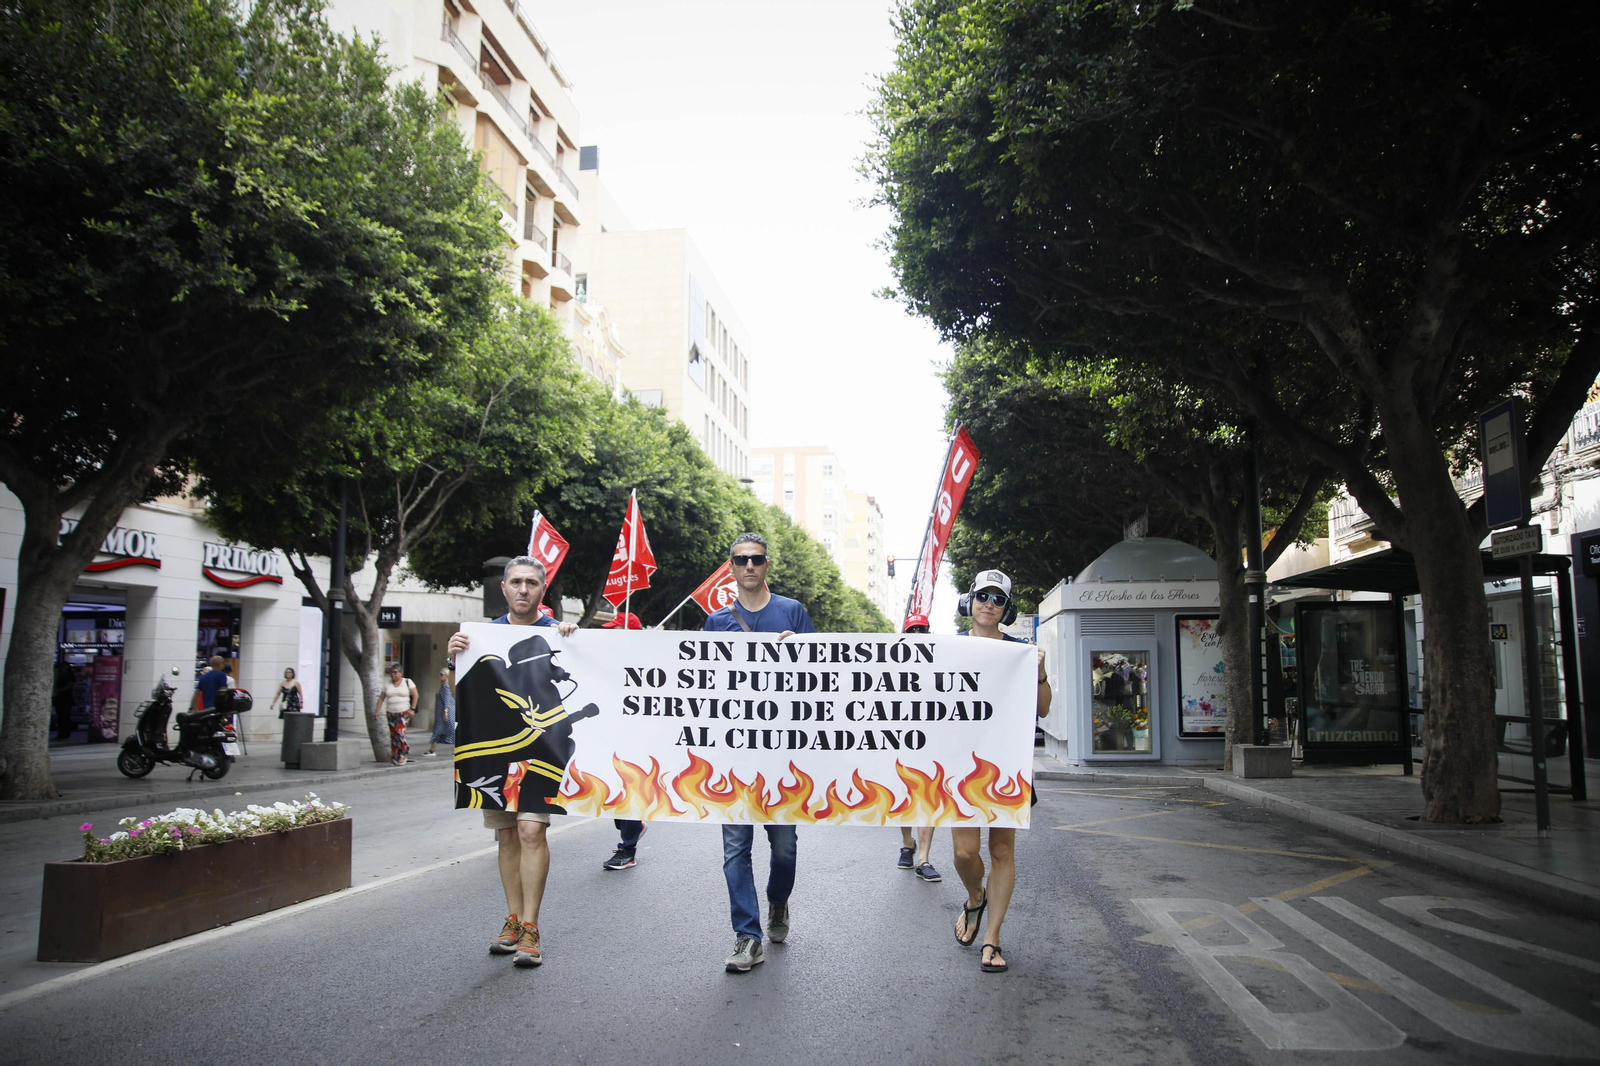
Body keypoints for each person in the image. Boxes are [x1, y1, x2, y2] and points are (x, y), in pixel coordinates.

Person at [446, 556, 577, 969]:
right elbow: (465, 696)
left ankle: (532, 927)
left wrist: (574, 639)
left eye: (532, 583)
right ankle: (514, 918)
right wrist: (455, 661)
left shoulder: (558, 635)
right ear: (504, 589)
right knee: (506, 838)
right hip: (496, 752)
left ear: (543, 590)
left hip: (544, 753)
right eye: (516, 582)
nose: (524, 589)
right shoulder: (483, 637)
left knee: (531, 830)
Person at [703, 533, 816, 973]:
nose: (749, 566)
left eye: (757, 559)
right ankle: (748, 936)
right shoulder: (716, 622)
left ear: (767, 565)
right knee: (736, 849)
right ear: (730, 567)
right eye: (741, 560)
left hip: (784, 761)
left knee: (784, 848)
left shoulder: (792, 612)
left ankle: (777, 902)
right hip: (734, 760)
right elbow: (699, 684)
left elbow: (823, 679)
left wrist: (800, 653)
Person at [951, 568, 1050, 974]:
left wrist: (1039, 671)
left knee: (1001, 850)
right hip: (957, 765)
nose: (988, 605)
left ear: (1006, 610)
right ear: (969, 602)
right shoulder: (947, 649)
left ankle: (992, 938)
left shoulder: (1021, 652)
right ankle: (976, 897)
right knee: (964, 852)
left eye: (997, 600)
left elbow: (1043, 709)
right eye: (982, 597)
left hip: (1006, 766)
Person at [599, 610, 650, 871]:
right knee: (613, 793)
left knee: (628, 789)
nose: (611, 633)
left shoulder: (646, 660)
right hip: (610, 735)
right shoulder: (609, 657)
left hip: (636, 738)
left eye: (616, 629)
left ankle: (628, 850)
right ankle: (632, 826)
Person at [897, 613, 941, 883]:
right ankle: (907, 843)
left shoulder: (939, 662)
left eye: (922, 630)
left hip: (932, 740)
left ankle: (923, 858)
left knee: (928, 795)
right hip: (900, 741)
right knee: (903, 796)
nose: (917, 635)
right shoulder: (892, 664)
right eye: (912, 630)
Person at [374, 663, 418, 766]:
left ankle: (403, 753)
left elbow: (415, 695)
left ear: (401, 673)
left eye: (395, 672)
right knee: (394, 735)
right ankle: (395, 756)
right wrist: (377, 711)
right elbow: (381, 698)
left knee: (399, 733)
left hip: (403, 712)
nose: (393, 675)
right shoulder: (387, 683)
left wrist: (412, 709)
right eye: (391, 672)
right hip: (391, 713)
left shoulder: (407, 682)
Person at [424, 666, 455, 756]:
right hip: (442, 712)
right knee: (440, 731)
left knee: (448, 731)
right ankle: (432, 750)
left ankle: (432, 750)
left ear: (447, 676)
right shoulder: (445, 685)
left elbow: (447, 699)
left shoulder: (445, 686)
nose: (439, 676)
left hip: (444, 712)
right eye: (439, 674)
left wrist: (445, 711)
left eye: (442, 674)